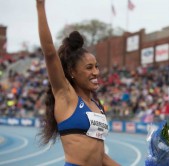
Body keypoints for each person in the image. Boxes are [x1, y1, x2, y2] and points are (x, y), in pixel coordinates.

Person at [35, 1, 120, 166]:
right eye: (89, 68)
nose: (95, 72)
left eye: (96, 66)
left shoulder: (97, 106)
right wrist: (40, 6)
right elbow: (50, 52)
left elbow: (101, 156)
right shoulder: (66, 96)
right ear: (72, 72)